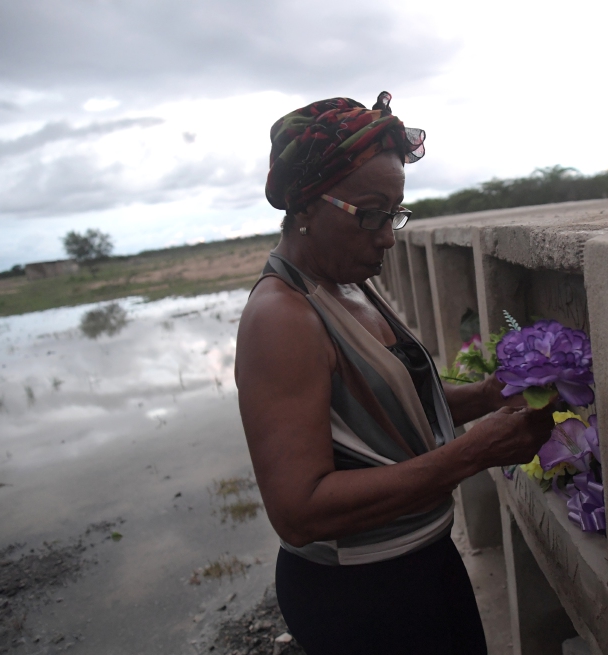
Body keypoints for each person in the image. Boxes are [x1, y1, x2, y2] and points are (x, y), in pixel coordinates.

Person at [235, 92, 553, 655]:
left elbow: (391, 407)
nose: (387, 235)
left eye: (395, 214)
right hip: (361, 594)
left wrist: (487, 394)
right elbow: (299, 511)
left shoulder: (351, 281)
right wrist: (473, 453)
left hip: (423, 561)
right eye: (370, 214)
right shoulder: (282, 318)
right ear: (306, 204)